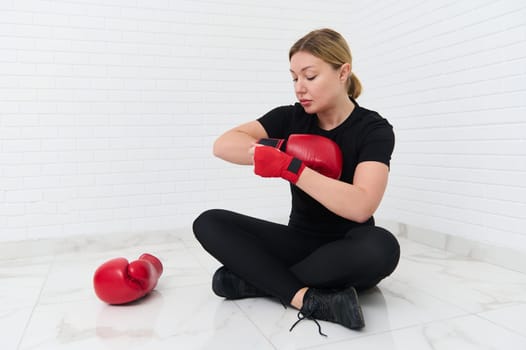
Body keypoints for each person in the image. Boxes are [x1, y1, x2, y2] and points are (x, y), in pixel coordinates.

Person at [193, 28, 400, 336]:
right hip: (299, 242)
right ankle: (306, 298)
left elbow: (361, 206)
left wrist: (293, 168)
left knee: (383, 247)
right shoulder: (291, 119)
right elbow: (223, 145)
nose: (300, 88)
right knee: (209, 222)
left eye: (310, 76)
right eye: (294, 78)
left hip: (348, 247)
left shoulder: (373, 129)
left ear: (343, 72)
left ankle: (255, 281)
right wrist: (280, 148)